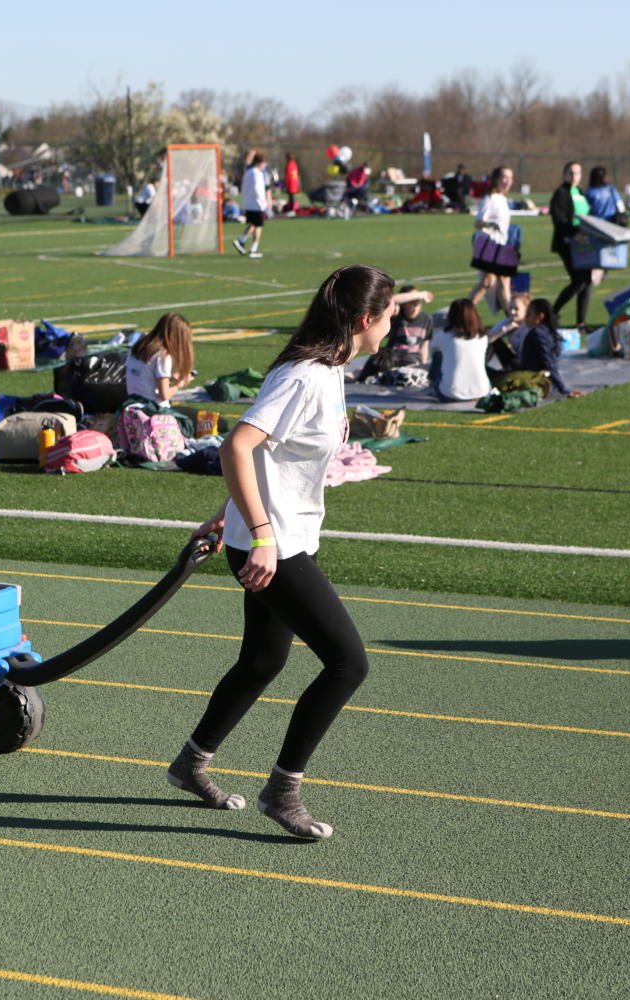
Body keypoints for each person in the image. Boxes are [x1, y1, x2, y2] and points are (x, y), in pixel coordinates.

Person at [166, 264, 395, 841]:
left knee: (263, 662)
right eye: (389, 317)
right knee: (349, 663)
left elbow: (265, 458)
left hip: (275, 539)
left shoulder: (329, 370)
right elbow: (236, 445)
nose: (392, 328)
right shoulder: (307, 376)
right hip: (276, 547)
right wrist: (259, 534)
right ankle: (282, 789)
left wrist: (228, 515)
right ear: (365, 320)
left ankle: (190, 764)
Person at [352, 286, 435, 383]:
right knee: (363, 376)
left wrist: (423, 365)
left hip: (411, 362)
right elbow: (393, 300)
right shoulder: (397, 316)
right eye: (412, 301)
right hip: (391, 359)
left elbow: (425, 344)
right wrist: (420, 294)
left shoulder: (426, 318)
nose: (416, 304)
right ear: (404, 304)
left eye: (418, 301)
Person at [467, 165, 517, 315]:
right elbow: (478, 222)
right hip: (489, 244)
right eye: (504, 177)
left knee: (503, 281)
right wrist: (491, 224)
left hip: (502, 244)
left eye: (510, 177)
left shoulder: (502, 198)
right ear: (496, 179)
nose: (508, 181)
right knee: (488, 282)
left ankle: (511, 316)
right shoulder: (489, 198)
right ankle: (463, 312)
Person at [549, 161, 594, 330]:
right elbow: (559, 220)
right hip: (568, 242)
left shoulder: (580, 192)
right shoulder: (561, 193)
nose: (574, 176)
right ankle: (553, 312)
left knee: (587, 281)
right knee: (578, 281)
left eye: (577, 173)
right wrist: (573, 233)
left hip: (584, 243)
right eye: (571, 173)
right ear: (564, 174)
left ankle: (581, 322)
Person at [429, 299, 492, 403]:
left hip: (451, 395)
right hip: (482, 392)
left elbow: (432, 354)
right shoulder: (483, 337)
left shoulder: (443, 337)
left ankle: (433, 386)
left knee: (438, 356)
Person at [126, 312, 194, 404]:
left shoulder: (138, 347)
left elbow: (145, 377)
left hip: (131, 404)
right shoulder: (163, 356)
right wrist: (181, 384)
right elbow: (164, 395)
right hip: (153, 409)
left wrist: (169, 378)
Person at [517, 298, 576, 397]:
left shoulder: (537, 334)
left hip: (534, 380)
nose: (525, 317)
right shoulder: (549, 331)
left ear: (540, 316)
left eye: (529, 314)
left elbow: (548, 363)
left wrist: (563, 390)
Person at [233, 153, 270, 258]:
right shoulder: (257, 173)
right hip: (256, 204)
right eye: (264, 163)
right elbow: (258, 190)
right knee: (258, 226)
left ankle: (241, 240)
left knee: (253, 224)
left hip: (248, 203)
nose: (265, 166)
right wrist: (263, 202)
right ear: (260, 163)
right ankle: (254, 249)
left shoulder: (248, 173)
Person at [485, 291, 531, 372]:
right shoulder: (508, 322)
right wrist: (505, 329)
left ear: (526, 310)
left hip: (530, 362)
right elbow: (487, 339)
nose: (512, 312)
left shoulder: (529, 325)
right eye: (510, 308)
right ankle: (481, 368)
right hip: (516, 361)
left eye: (516, 309)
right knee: (494, 341)